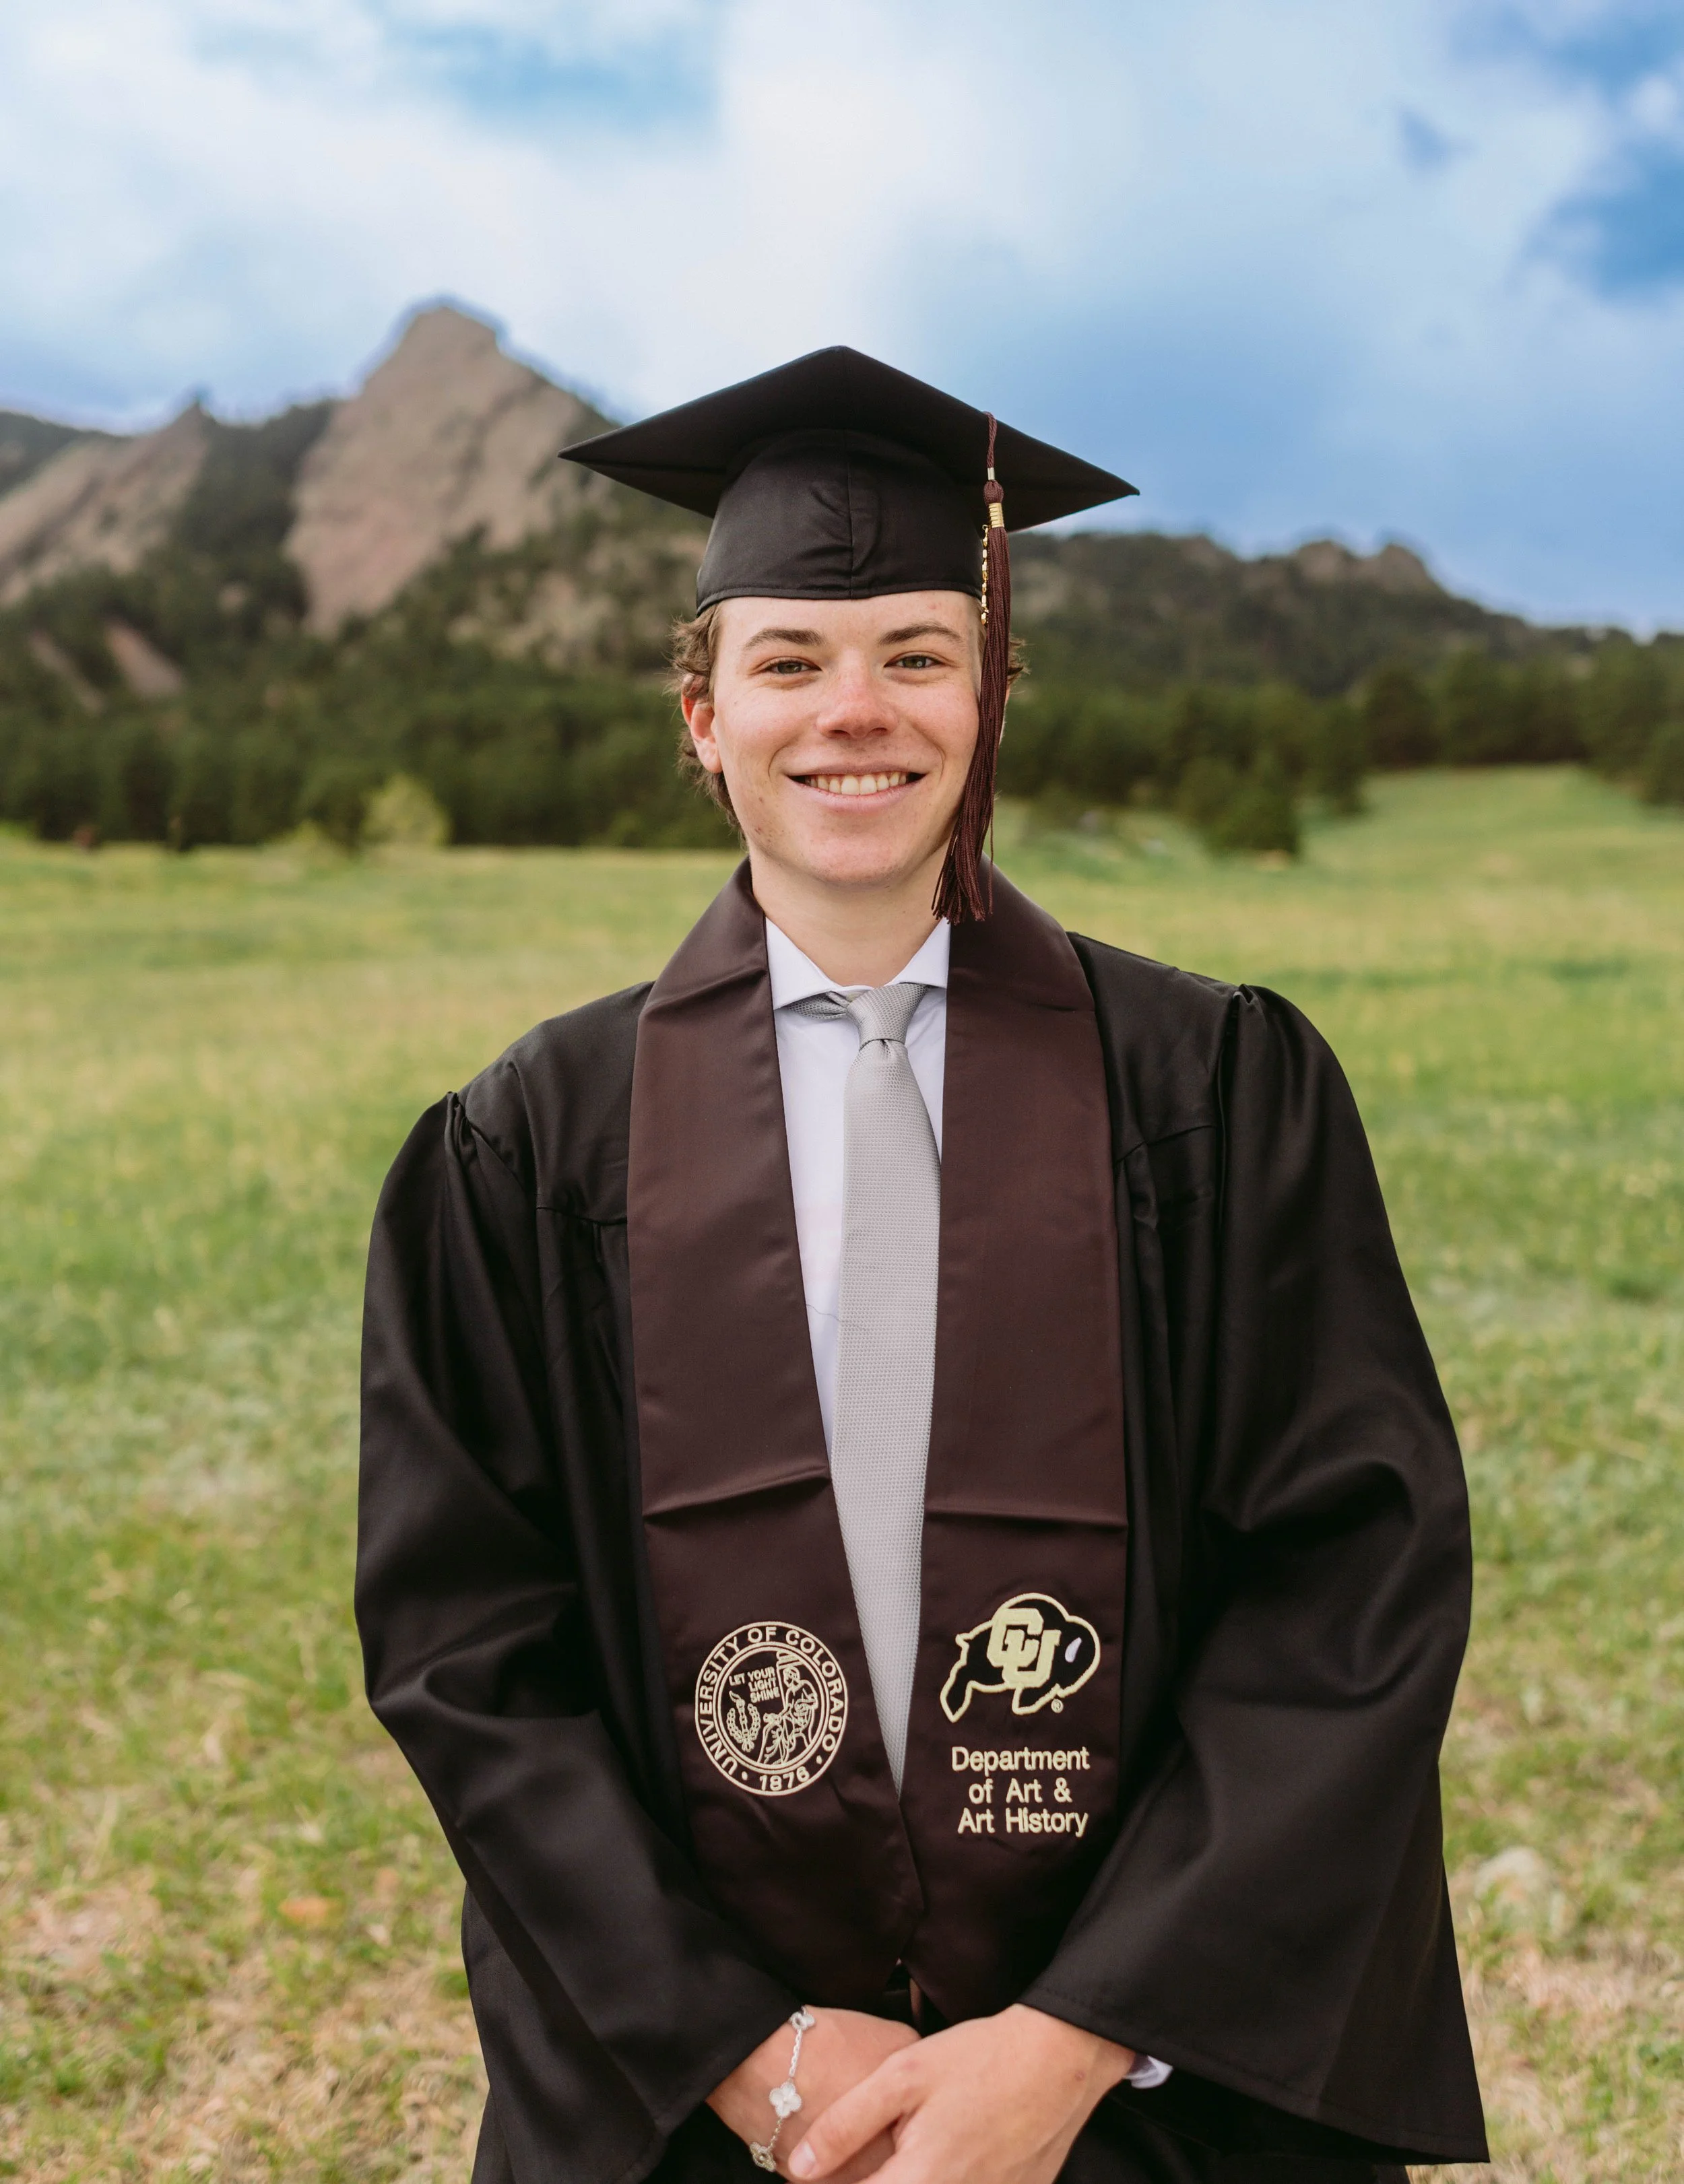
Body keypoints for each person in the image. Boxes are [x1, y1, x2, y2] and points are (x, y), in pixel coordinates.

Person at [356, 348, 1486, 2184]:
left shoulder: (1209, 1088)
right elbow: (467, 1644)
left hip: (1144, 2089)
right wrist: (741, 2046)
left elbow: (1349, 1584)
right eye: (787, 663)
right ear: (701, 718)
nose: (851, 713)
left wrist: (1072, 2041)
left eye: (916, 652)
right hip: (729, 2097)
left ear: (992, 695)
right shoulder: (528, 1143)